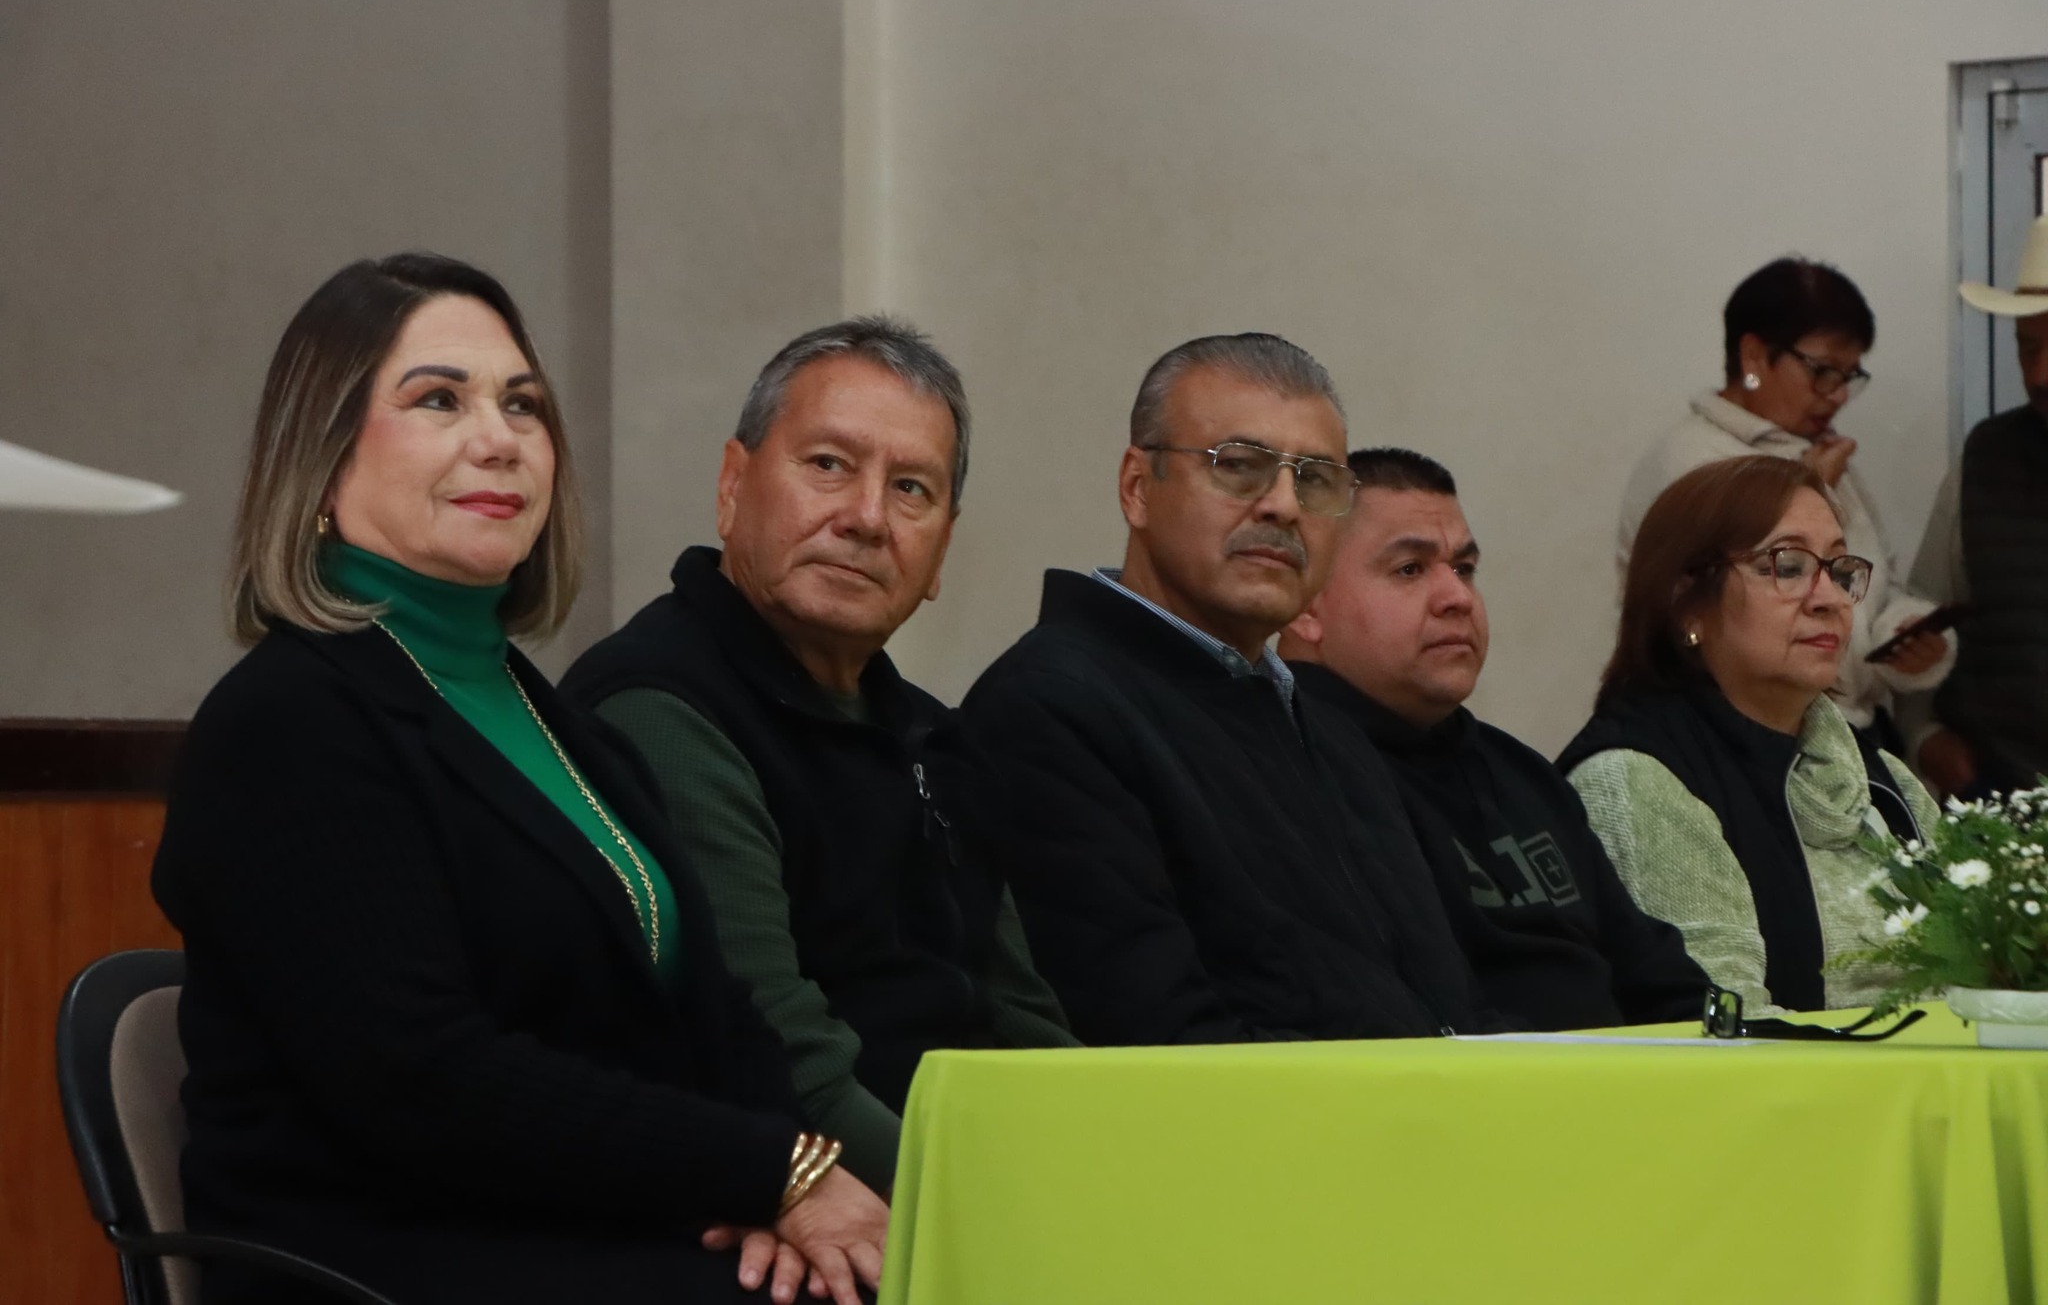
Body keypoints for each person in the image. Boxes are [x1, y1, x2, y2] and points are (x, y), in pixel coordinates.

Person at [152, 254, 887, 1305]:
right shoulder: (287, 722)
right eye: (438, 399)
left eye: (523, 405)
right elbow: (422, 1078)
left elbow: (715, 1014)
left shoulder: (558, 721)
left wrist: (792, 1184)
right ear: (322, 452)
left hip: (592, 1232)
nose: (498, 437)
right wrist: (769, 1172)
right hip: (379, 1261)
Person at [561, 317, 1074, 1193]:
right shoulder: (660, 711)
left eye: (910, 488)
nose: (867, 518)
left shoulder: (933, 735)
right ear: (732, 486)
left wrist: (1106, 1167)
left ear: (942, 551)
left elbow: (1026, 1024)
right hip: (826, 1198)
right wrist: (1000, 1209)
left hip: (973, 1181)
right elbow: (783, 1061)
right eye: (829, 465)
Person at [953, 333, 1492, 1046]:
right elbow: (1153, 1042)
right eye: (1239, 466)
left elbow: (1445, 1009)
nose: (1283, 506)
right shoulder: (1053, 709)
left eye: (1316, 480)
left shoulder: (1331, 732)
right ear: (1137, 488)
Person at [1278, 448, 1707, 1029]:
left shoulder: (1520, 772)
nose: (1456, 597)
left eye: (1464, 568)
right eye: (1410, 569)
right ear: (1304, 603)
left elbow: (1661, 981)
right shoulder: (1286, 771)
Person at [1561, 456, 1940, 1015]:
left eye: (1839, 569)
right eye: (1787, 566)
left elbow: (1981, 977)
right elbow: (1727, 1024)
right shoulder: (1636, 777)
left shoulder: (1883, 778)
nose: (1830, 599)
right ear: (1688, 603)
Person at [1617, 257, 1952, 744]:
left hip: (1844, 727)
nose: (1838, 395)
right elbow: (1720, 619)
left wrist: (1900, 632)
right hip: (1739, 732)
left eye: (1849, 376)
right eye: (1823, 371)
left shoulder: (1814, 451)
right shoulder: (1692, 462)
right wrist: (1809, 488)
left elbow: (1871, 584)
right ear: (1754, 357)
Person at [1903, 215, 2048, 796]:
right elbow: (1920, 617)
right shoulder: (1987, 456)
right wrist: (1923, 734)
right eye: (2027, 348)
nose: (2040, 373)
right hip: (1998, 800)